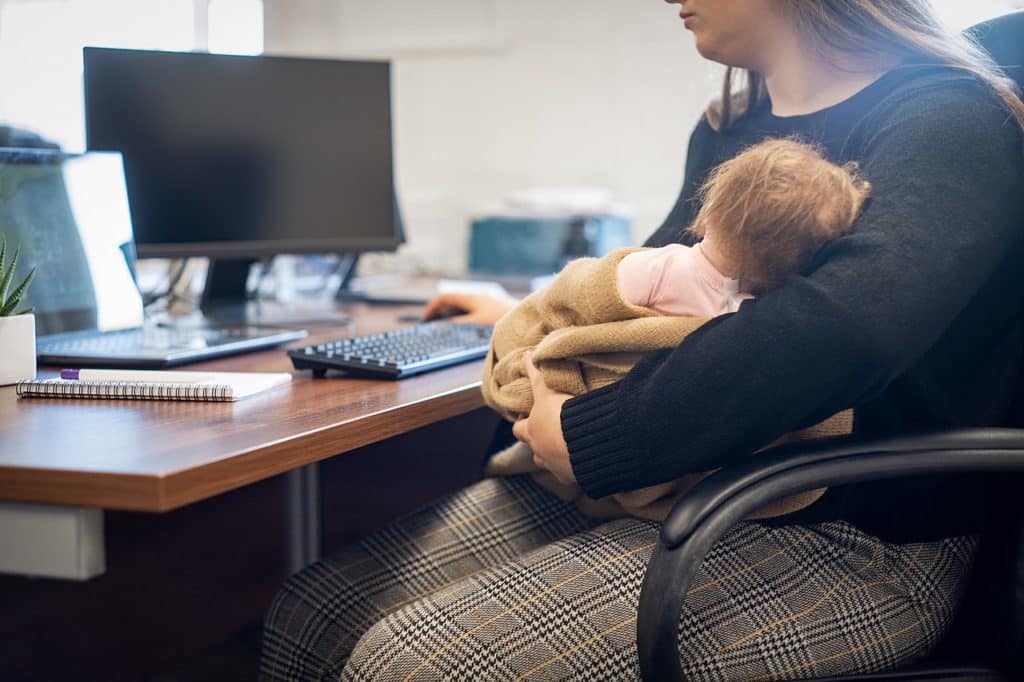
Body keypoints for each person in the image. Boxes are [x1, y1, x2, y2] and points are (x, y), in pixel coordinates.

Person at [261, 1, 1024, 679]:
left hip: (854, 540)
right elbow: (667, 282)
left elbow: (845, 328)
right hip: (667, 488)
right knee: (313, 615)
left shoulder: (952, 121)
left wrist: (595, 436)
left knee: (409, 666)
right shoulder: (732, 126)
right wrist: (533, 320)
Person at [482, 138, 869, 522]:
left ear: (711, 211)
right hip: (646, 461)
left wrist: (535, 321)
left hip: (593, 421)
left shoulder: (662, 267)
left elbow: (578, 293)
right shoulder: (757, 318)